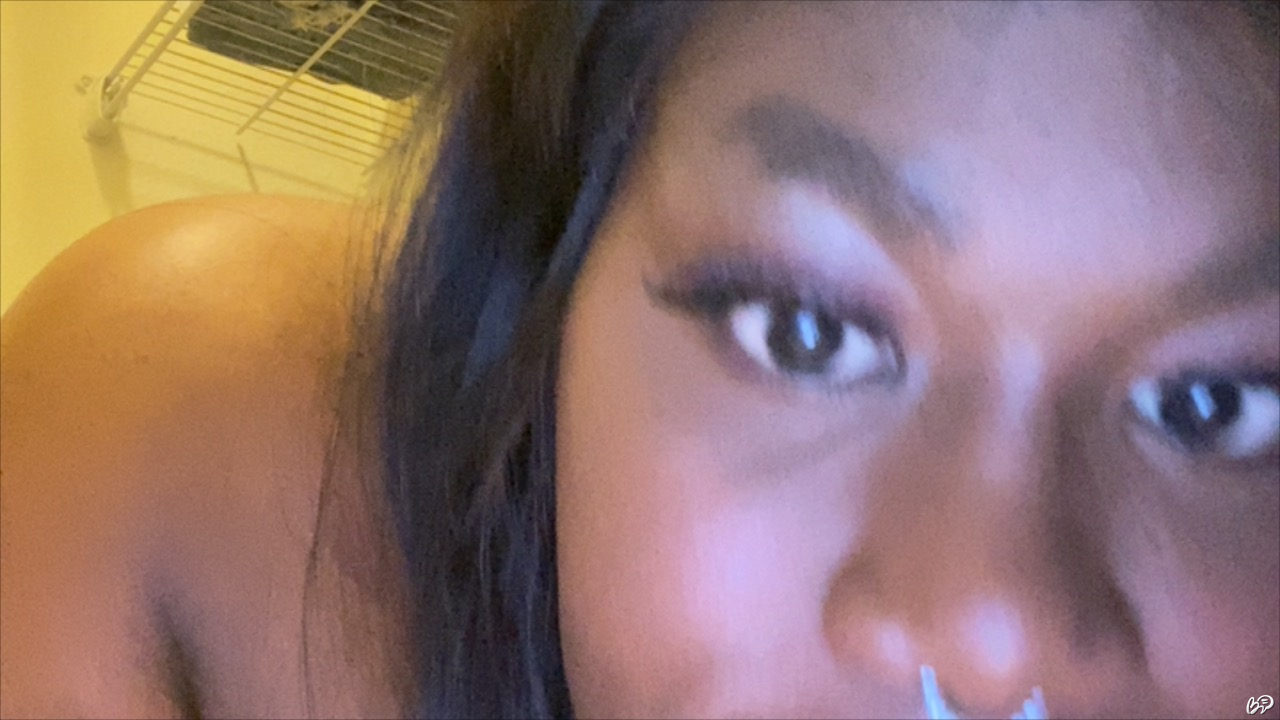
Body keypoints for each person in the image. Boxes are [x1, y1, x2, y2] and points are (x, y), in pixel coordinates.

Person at [1, 1, 1276, 718]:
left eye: (1213, 404)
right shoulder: (189, 462)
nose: (991, 640)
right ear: (541, 280)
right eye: (803, 332)